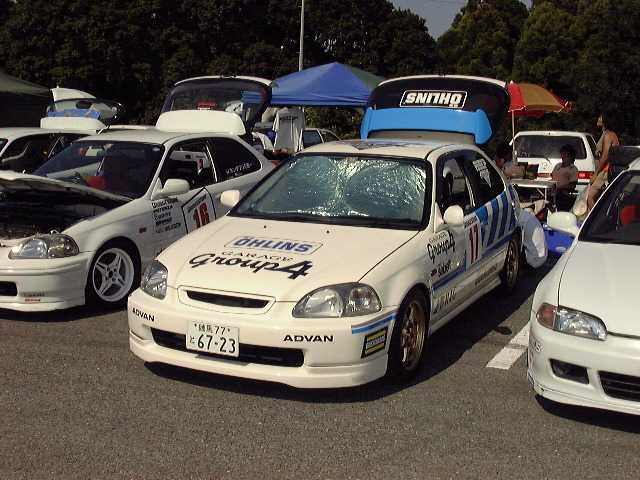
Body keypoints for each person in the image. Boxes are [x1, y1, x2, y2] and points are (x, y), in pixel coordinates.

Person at [588, 113, 620, 211]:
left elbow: (605, 156)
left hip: (605, 171)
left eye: (600, 117)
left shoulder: (607, 135)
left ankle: (595, 219)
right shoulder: (611, 134)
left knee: (590, 197)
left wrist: (596, 174)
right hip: (607, 170)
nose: (598, 118)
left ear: (605, 120)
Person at [552, 144, 579, 211]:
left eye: (565, 154)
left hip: (563, 195)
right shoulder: (557, 166)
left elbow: (572, 185)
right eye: (562, 154)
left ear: (570, 157)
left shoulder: (573, 169)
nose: (562, 156)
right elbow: (553, 177)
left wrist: (559, 187)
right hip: (552, 192)